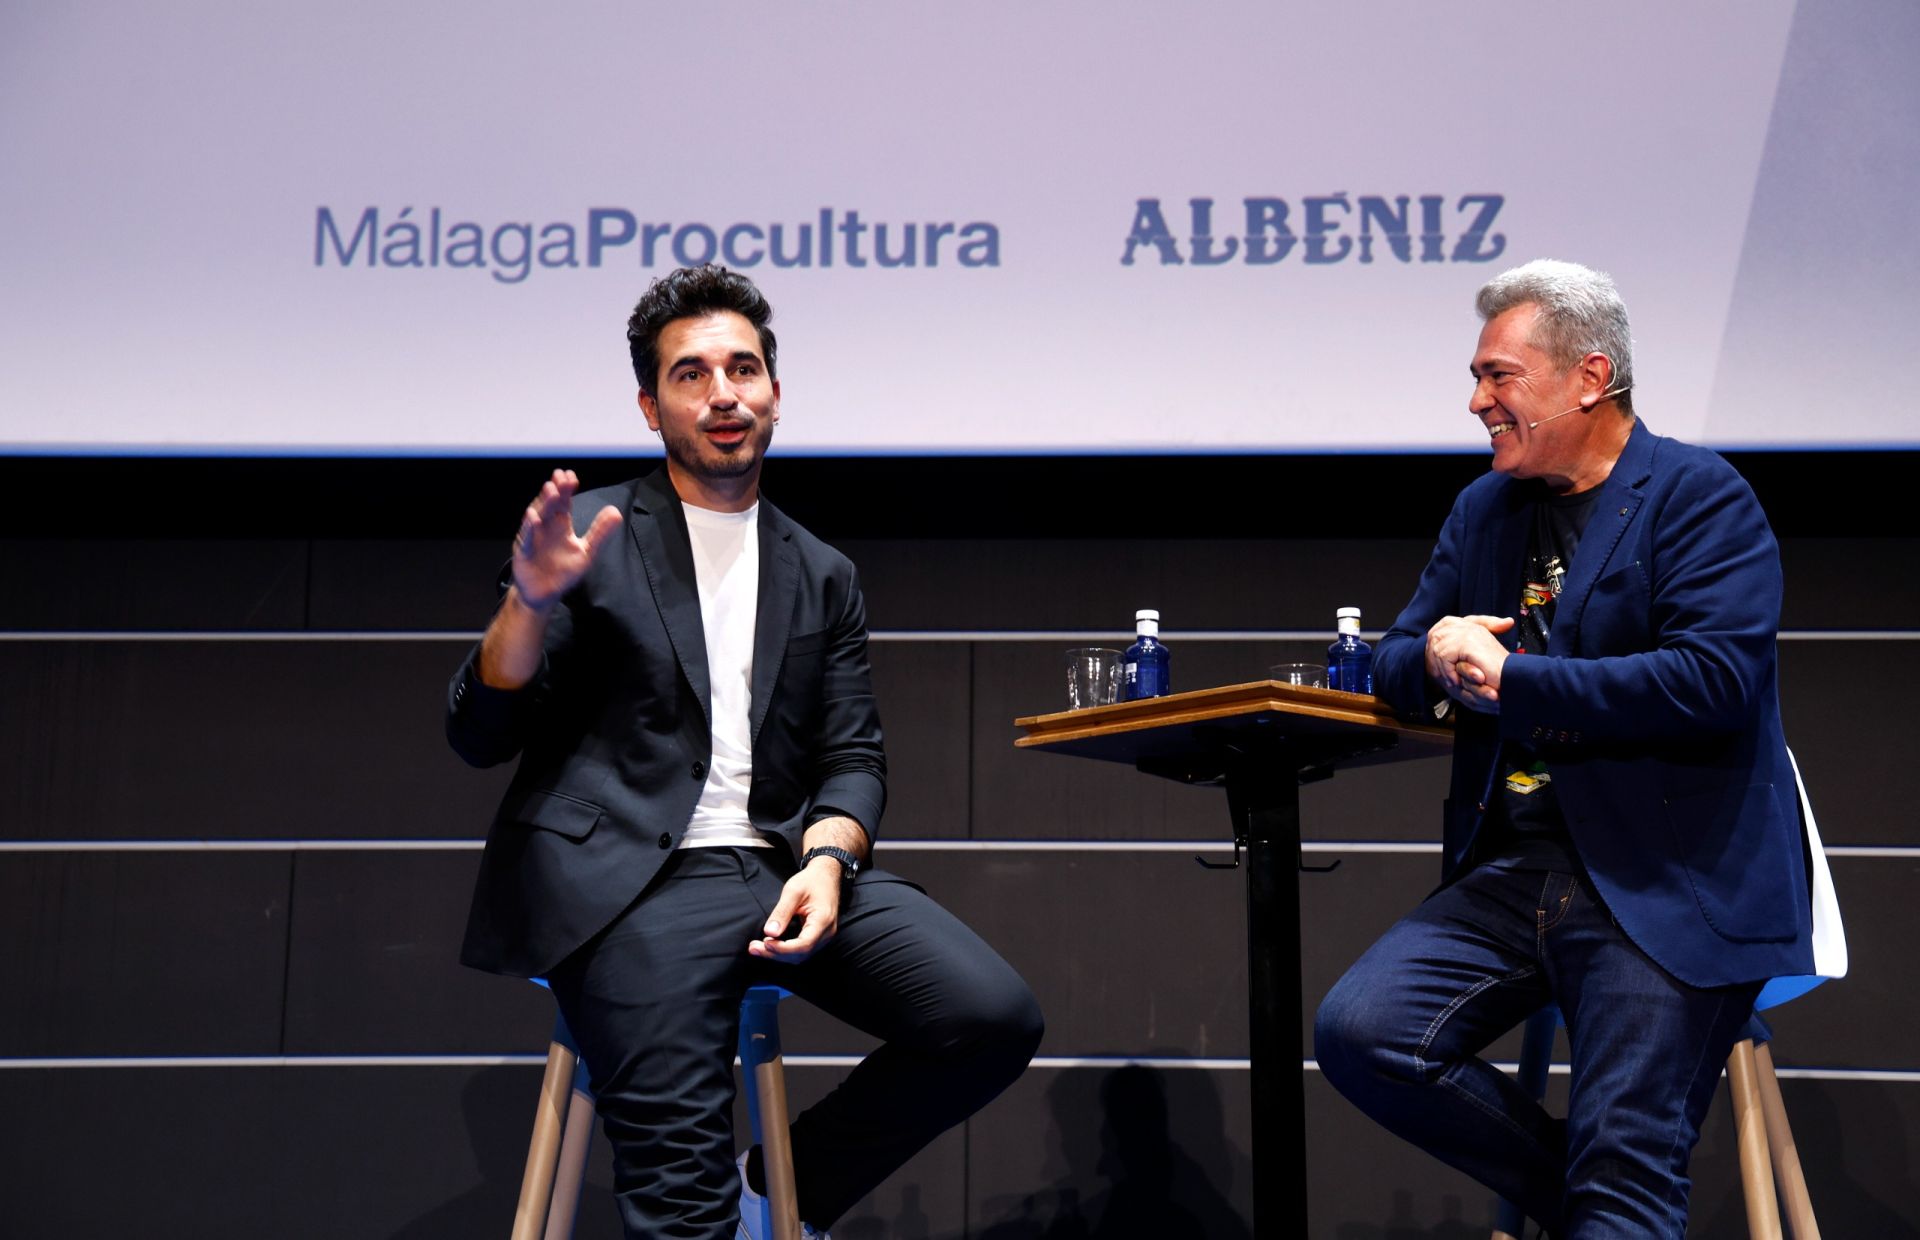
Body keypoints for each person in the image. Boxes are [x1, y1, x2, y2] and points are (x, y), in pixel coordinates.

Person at [446, 264, 1043, 1239]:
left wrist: (828, 858)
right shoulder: (590, 540)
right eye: (691, 374)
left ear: (774, 388)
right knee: (681, 1198)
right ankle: (714, 1205)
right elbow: (478, 731)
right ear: (650, 405)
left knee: (989, 1018)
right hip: (628, 884)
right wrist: (529, 601)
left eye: (743, 368)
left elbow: (854, 756)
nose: (724, 393)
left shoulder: (821, 572)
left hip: (776, 868)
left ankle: (778, 1186)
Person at [1313, 259, 1813, 1237]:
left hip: (1667, 881)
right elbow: (1396, 658)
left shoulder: (1700, 498)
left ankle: (1614, 1196)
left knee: (1626, 1157)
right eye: (1477, 376)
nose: (1476, 400)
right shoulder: (1486, 511)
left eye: (1500, 376)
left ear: (1589, 378)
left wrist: (1511, 681)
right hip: (1515, 872)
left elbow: (1712, 681)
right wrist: (1441, 653)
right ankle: (1595, 1200)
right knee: (1363, 1031)